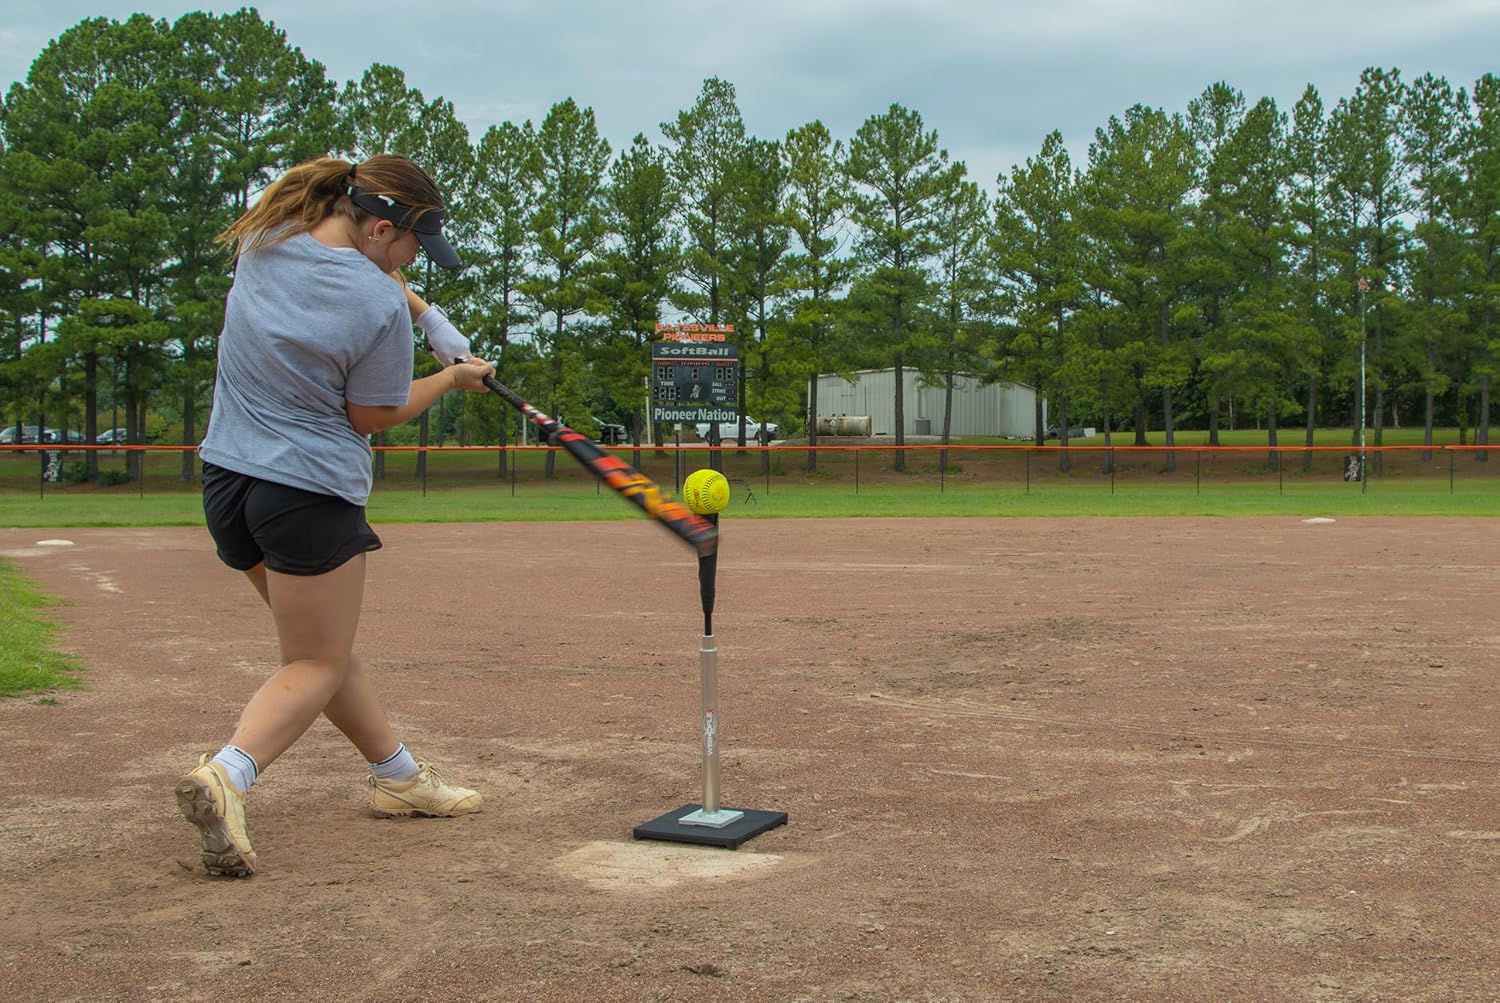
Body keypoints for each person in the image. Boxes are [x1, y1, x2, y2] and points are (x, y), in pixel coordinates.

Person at [176, 154, 494, 878]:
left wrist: (429, 316)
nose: (418, 261)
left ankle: (399, 776)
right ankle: (227, 774)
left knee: (321, 650)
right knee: (315, 660)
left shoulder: (268, 238)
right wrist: (450, 374)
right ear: (381, 227)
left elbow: (364, 269)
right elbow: (370, 413)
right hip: (307, 493)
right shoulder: (374, 304)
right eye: (416, 246)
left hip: (229, 484)